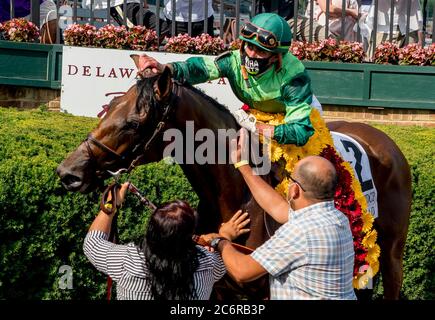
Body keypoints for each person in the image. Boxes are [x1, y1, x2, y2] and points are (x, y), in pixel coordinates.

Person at [205, 130, 357, 300]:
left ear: (295, 189)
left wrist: (220, 240)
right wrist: (242, 165)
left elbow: (242, 271)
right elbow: (277, 208)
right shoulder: (336, 218)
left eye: (291, 179)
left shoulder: (300, 232)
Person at [137, 13, 321, 147]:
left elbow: (300, 131)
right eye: (249, 46)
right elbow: (200, 68)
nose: (251, 54)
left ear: (276, 57)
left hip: (294, 118)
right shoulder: (232, 60)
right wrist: (165, 69)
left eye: (261, 51)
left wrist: (259, 128)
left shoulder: (295, 78)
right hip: (257, 114)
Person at [83, 182, 249, 300]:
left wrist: (110, 207)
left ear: (150, 230)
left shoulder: (126, 261)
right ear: (191, 235)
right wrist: (224, 236)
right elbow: (226, 260)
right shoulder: (208, 264)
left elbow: (92, 243)